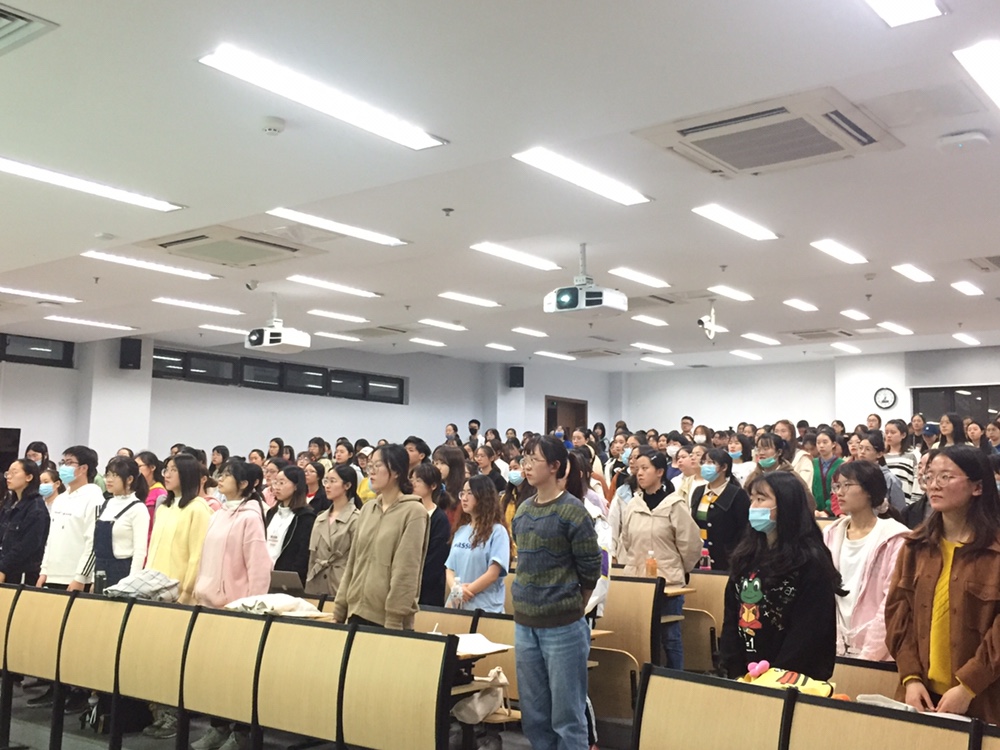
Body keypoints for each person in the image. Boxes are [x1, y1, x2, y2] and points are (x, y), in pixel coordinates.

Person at [886, 445, 1000, 723]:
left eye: (946, 477)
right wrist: (911, 678)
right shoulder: (915, 546)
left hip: (982, 698)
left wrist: (968, 685)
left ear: (977, 487)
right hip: (921, 696)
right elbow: (898, 615)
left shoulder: (995, 551)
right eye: (929, 476)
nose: (934, 485)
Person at [511, 435, 601, 750]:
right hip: (525, 624)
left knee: (567, 715)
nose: (526, 466)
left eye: (533, 459)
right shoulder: (523, 510)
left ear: (554, 466)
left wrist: (572, 606)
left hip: (563, 627)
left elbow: (590, 569)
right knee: (534, 715)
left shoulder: (573, 511)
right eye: (524, 459)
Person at [720, 471, 843, 680]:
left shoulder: (811, 561)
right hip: (745, 672)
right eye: (752, 499)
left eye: (761, 499)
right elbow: (731, 615)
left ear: (785, 505)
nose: (753, 507)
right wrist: (733, 668)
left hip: (791, 677)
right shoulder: (746, 555)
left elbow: (809, 632)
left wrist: (774, 677)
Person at [332, 444, 429, 629]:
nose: (372, 471)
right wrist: (339, 610)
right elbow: (353, 562)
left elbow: (406, 571)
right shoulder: (368, 509)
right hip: (356, 611)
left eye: (378, 465)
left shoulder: (414, 511)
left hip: (387, 620)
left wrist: (394, 619)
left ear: (396, 471)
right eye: (370, 466)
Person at [619, 447, 701, 668]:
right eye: (638, 469)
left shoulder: (674, 504)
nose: (640, 473)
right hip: (638, 582)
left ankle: (676, 679)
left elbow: (690, 544)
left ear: (660, 472)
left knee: (670, 637)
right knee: (639, 637)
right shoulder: (634, 504)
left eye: (645, 468)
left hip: (668, 583)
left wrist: (678, 569)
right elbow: (626, 541)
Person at [821, 461, 908, 660]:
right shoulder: (831, 533)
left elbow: (891, 603)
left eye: (847, 485)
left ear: (869, 490)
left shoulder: (895, 538)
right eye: (837, 486)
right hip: (835, 646)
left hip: (879, 652)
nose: (839, 492)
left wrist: (867, 657)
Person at [145, 454, 213, 604]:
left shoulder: (197, 508)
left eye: (173, 470)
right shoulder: (163, 508)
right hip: (153, 589)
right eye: (166, 470)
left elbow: (197, 556)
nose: (167, 475)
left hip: (179, 594)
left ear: (187, 474)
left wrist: (186, 592)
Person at [38, 446, 104, 592]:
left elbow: (93, 541)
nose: (63, 467)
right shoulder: (60, 499)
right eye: (63, 462)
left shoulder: (94, 498)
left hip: (75, 577)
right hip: (52, 575)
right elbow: (51, 538)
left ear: (83, 468)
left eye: (69, 463)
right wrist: (44, 570)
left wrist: (81, 577)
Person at [445, 475, 511, 613]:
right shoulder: (461, 530)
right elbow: (450, 568)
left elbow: (493, 573)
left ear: (483, 496)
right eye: (462, 493)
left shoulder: (498, 531)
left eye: (470, 493)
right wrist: (456, 590)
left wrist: (466, 591)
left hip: (485, 608)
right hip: (457, 605)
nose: (464, 498)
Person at [691, 448, 751, 572]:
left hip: (726, 559)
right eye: (703, 462)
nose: (705, 466)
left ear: (724, 467)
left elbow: (743, 530)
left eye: (710, 462)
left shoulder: (736, 494)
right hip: (699, 557)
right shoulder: (698, 491)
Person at [95, 457, 151, 586]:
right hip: (100, 570)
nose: (109, 479)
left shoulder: (138, 508)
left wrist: (131, 582)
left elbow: (140, 551)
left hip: (122, 572)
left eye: (115, 475)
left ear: (130, 479)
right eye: (108, 474)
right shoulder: (106, 504)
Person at [264, 466, 317, 586]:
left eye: (282, 483)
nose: (277, 487)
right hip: (264, 574)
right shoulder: (271, 512)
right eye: (276, 482)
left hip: (286, 579)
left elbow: (303, 554)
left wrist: (292, 579)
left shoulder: (305, 517)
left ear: (296, 486)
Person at [0, 459, 49, 585]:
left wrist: (3, 567)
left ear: (29, 477)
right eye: (8, 473)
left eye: (14, 472)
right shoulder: (10, 505)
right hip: (5, 567)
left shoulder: (36, 508)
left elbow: (28, 545)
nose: (9, 477)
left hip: (22, 573)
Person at [410, 462, 450, 608]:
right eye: (412, 479)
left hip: (428, 590)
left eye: (419, 480)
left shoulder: (439, 519)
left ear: (433, 486)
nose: (413, 483)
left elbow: (436, 559)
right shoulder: (407, 512)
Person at [852, 432, 906, 514]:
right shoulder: (853, 475)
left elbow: (900, 510)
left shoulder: (890, 479)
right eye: (860, 448)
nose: (862, 452)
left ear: (879, 454)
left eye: (867, 449)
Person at [811, 428, 844, 516]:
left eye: (825, 442)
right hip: (814, 512)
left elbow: (839, 490)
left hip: (835, 512)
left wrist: (828, 510)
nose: (821, 446)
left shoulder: (841, 464)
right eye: (818, 443)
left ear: (833, 444)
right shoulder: (812, 463)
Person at [432, 444, 466, 528]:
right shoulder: (434, 488)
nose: (438, 467)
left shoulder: (463, 491)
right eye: (436, 463)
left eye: (442, 463)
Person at [774, 419, 814, 489]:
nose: (779, 435)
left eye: (783, 431)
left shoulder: (802, 457)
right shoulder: (772, 456)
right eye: (776, 431)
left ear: (791, 434)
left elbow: (804, 484)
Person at [884, 419, 918, 503]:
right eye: (886, 432)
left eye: (893, 432)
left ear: (903, 435)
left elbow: (917, 481)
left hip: (905, 502)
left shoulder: (912, 455)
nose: (889, 435)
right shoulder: (882, 457)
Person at [135, 451, 167, 525]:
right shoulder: (135, 489)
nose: (136, 470)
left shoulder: (160, 493)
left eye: (139, 466)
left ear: (152, 467)